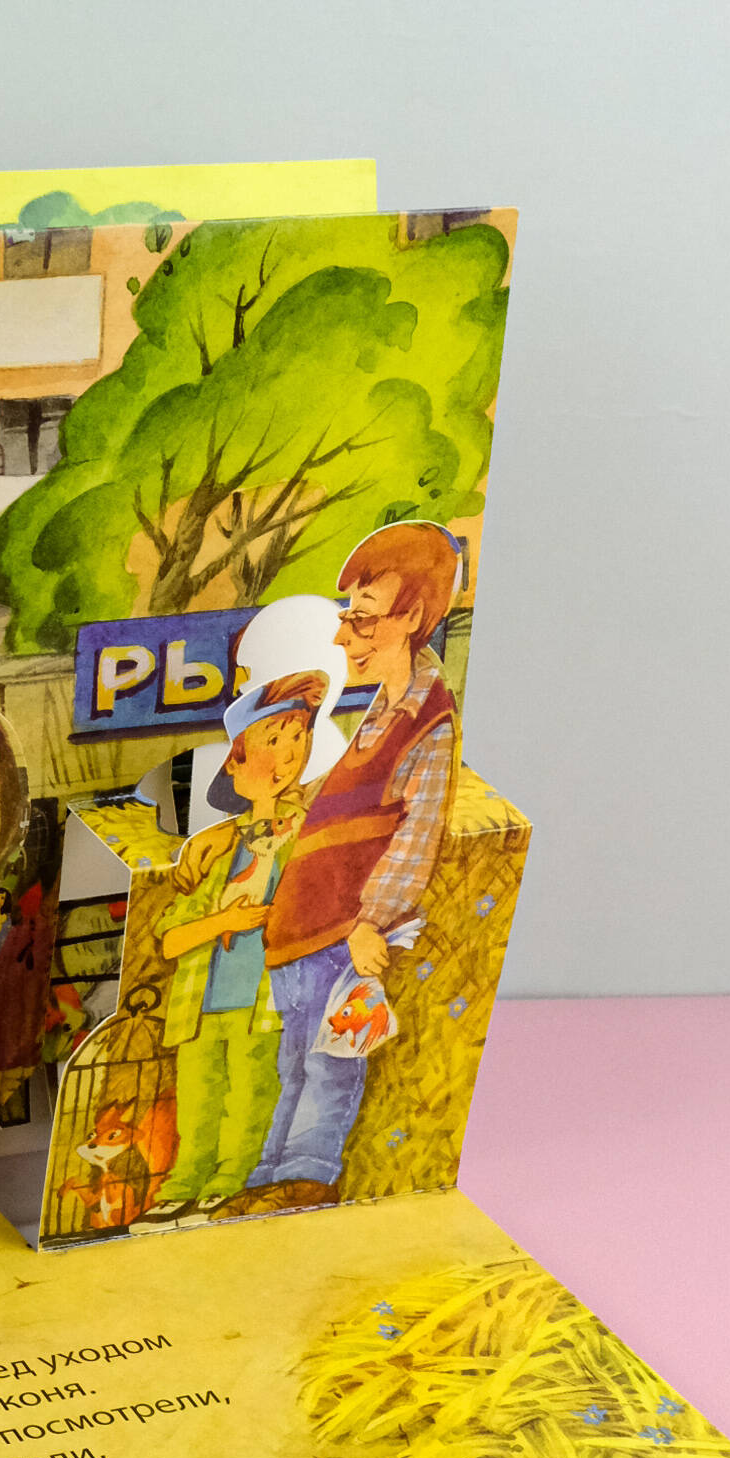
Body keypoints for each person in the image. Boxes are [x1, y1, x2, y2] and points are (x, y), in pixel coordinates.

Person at [232, 517, 461, 1217]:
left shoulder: (428, 722)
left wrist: (372, 923)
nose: (342, 638)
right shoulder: (376, 715)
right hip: (301, 933)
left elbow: (417, 834)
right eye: (345, 618)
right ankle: (269, 1177)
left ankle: (308, 1175)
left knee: (329, 1060)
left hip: (345, 936)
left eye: (362, 620)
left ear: (412, 618)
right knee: (293, 1062)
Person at [136, 673, 326, 1221]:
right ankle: (181, 1186)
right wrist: (224, 919)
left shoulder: (304, 833)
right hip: (199, 1004)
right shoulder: (217, 850)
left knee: (249, 1096)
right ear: (234, 765)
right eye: (273, 741)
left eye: (298, 738)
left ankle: (229, 1182)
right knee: (198, 1099)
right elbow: (171, 938)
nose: (288, 755)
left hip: (265, 1002)